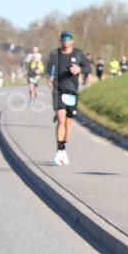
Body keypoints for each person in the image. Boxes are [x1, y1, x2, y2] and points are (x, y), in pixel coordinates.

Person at [46, 31, 91, 166]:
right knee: (60, 119)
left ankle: (64, 149)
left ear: (72, 41)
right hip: (58, 90)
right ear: (60, 41)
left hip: (72, 91)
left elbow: (88, 67)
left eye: (68, 39)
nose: (65, 42)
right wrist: (49, 77)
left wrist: (79, 69)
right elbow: (49, 68)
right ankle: (59, 150)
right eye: (63, 39)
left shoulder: (78, 54)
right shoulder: (55, 54)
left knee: (68, 123)